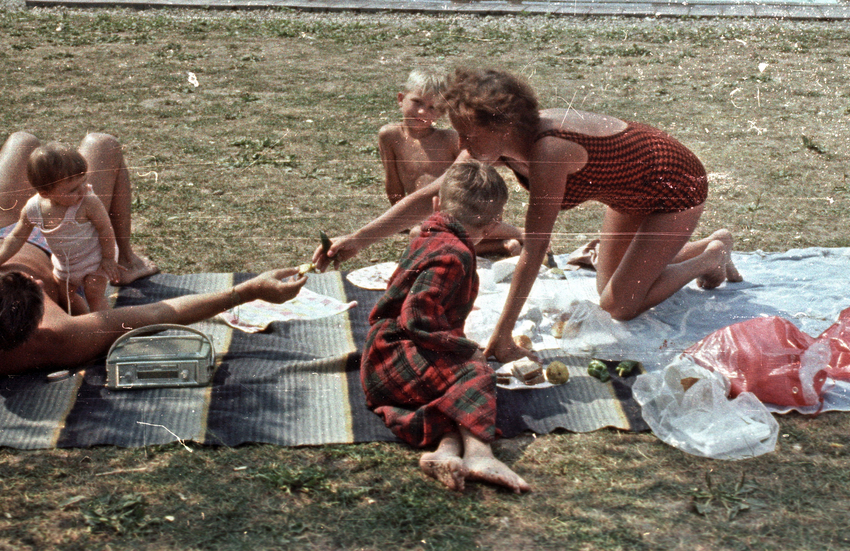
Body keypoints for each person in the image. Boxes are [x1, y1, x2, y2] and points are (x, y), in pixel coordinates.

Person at [317, 68, 741, 365]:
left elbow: (535, 249)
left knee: (619, 305)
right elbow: (433, 191)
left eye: (469, 132)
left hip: (673, 187)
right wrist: (357, 239)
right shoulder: (498, 143)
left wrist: (502, 335)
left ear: (503, 125)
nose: (461, 143)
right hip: (628, 192)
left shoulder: (548, 152)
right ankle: (703, 247)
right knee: (610, 285)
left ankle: (712, 255)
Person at [0, 132, 304, 372]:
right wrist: (249, 291)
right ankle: (127, 260)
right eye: (33, 283)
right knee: (102, 145)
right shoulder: (61, 338)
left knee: (21, 140)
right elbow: (162, 313)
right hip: (40, 232)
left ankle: (122, 254)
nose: (28, 275)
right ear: (39, 306)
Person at [361, 160, 528, 493]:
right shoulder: (455, 256)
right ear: (494, 225)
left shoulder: (428, 233)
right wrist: (468, 350)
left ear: (437, 204)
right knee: (475, 373)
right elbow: (416, 319)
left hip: (381, 356)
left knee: (451, 388)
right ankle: (481, 455)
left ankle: (447, 451)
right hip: (395, 358)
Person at [380, 70, 522, 256]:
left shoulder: (450, 139)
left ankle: (523, 235)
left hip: (464, 213)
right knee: (418, 234)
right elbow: (393, 181)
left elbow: (481, 177)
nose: (422, 111)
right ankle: (504, 246)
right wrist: (400, 219)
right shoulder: (389, 136)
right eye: (417, 102)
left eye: (432, 108)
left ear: (441, 112)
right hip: (429, 216)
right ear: (401, 99)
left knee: (428, 235)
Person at [0, 143, 120, 315]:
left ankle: (104, 329)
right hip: (66, 265)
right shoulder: (34, 209)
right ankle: (83, 320)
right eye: (72, 190)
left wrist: (108, 258)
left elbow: (105, 229)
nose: (82, 190)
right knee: (66, 298)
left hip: (96, 257)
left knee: (93, 292)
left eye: (84, 182)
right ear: (45, 193)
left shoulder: (88, 202)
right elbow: (17, 236)